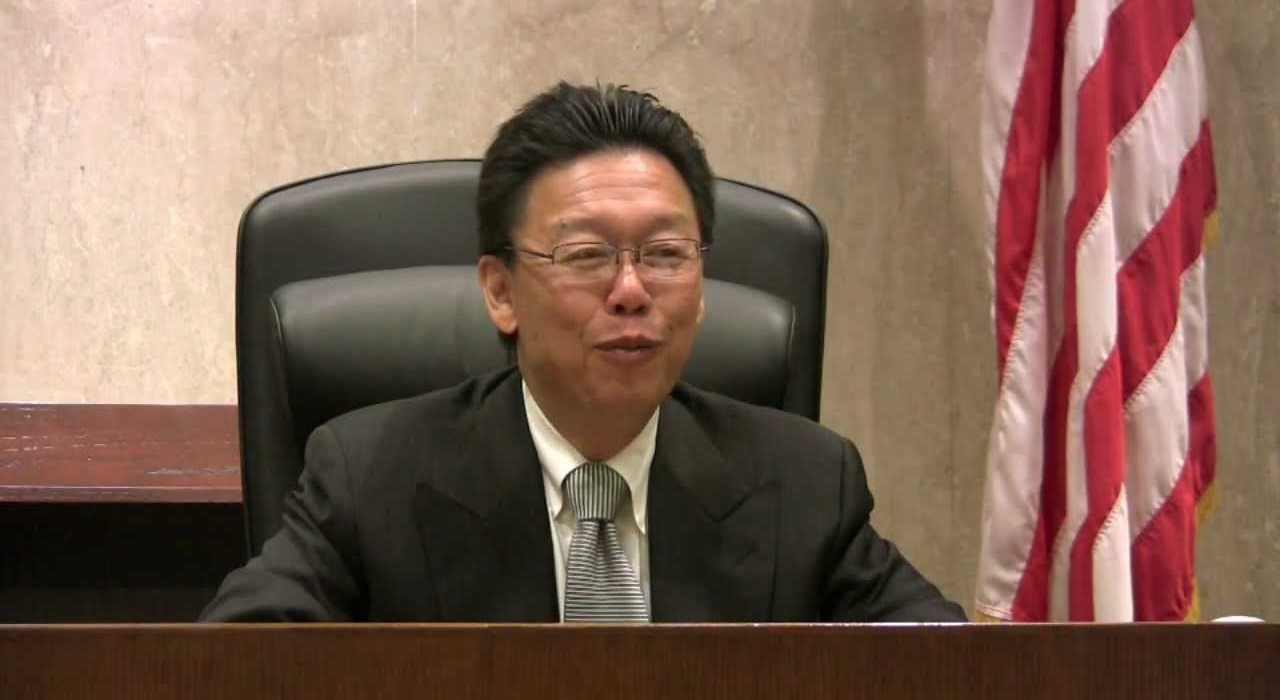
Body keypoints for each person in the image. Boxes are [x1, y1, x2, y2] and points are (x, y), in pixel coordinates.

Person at [201, 81, 966, 623]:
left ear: (701, 288)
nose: (631, 291)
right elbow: (236, 663)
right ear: (501, 291)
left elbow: (948, 667)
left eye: (665, 254)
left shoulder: (807, 483)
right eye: (587, 255)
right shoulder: (371, 478)